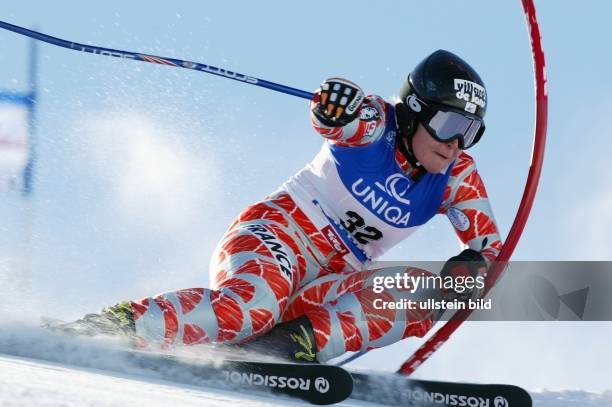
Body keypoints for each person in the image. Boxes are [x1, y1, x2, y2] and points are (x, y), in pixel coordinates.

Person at [58, 49, 501, 363]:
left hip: (329, 281)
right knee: (252, 309)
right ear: (413, 111)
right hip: (279, 237)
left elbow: (491, 252)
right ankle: (117, 327)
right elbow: (339, 121)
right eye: (448, 124)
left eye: (471, 131)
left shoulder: (456, 175)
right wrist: (334, 107)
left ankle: (289, 346)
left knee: (424, 290)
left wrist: (471, 271)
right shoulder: (376, 123)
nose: (456, 143)